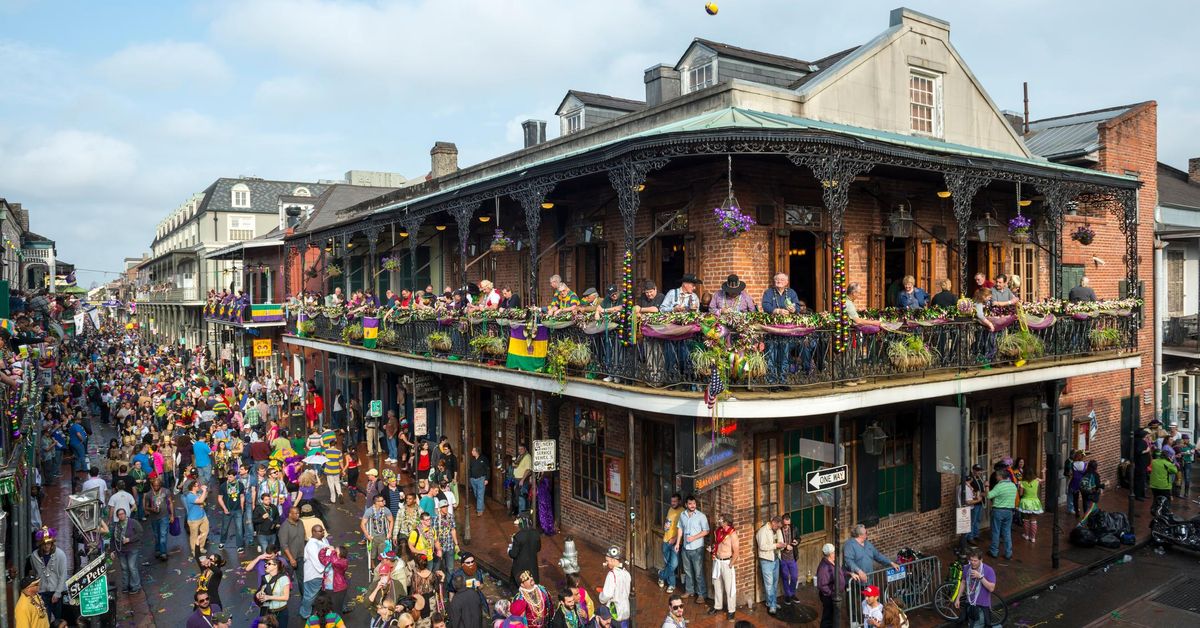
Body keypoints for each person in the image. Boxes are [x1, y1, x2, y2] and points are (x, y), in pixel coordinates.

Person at [28, 528, 67, 623]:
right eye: (44, 544)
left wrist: (57, 593)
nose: (47, 546)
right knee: (45, 619)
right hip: (42, 593)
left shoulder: (60, 555)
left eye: (49, 543)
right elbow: (35, 572)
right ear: (40, 544)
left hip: (55, 591)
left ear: (52, 543)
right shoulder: (34, 556)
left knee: (58, 619)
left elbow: (63, 575)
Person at [677, 495, 709, 605]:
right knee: (687, 571)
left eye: (694, 504)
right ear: (686, 505)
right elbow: (680, 528)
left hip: (697, 549)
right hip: (686, 548)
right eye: (690, 504)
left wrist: (694, 537)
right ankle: (689, 590)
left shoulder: (701, 516)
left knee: (698, 572)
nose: (692, 506)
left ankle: (701, 594)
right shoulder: (682, 515)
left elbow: (706, 531)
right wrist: (678, 543)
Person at [955, 547, 997, 627]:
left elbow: (991, 588)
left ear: (981, 560)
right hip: (970, 603)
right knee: (964, 622)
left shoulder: (988, 570)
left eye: (975, 561)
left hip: (982, 605)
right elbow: (963, 582)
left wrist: (980, 577)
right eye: (971, 560)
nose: (973, 563)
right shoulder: (967, 568)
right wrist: (958, 598)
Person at [707, 514, 738, 620]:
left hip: (727, 562)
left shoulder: (732, 534)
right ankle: (718, 606)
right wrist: (712, 550)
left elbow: (736, 551)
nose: (719, 521)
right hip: (717, 561)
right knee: (717, 584)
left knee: (729, 587)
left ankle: (731, 610)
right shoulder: (718, 531)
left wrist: (731, 564)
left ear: (726, 522)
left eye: (721, 520)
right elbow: (716, 545)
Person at [755, 515, 784, 615]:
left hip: (776, 559)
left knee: (774, 583)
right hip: (766, 560)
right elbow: (762, 546)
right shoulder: (762, 531)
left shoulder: (778, 530)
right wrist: (776, 545)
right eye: (777, 526)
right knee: (769, 584)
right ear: (773, 523)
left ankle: (771, 602)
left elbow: (780, 541)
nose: (778, 529)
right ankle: (772, 605)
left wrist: (782, 545)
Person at [987, 470, 1018, 560]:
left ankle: (994, 552)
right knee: (1007, 532)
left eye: (997, 475)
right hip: (1009, 512)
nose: (996, 477)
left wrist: (986, 486)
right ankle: (1008, 553)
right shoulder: (1013, 485)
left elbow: (989, 495)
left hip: (998, 511)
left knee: (996, 531)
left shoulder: (999, 486)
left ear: (1001, 476)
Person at [112, 507, 144, 593]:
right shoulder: (116, 526)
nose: (121, 516)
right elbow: (113, 539)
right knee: (124, 568)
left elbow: (140, 533)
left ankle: (136, 586)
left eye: (123, 514)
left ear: (125, 514)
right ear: (117, 516)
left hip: (132, 548)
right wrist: (112, 551)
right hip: (121, 550)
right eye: (119, 514)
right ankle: (126, 585)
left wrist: (129, 539)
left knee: (132, 566)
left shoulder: (133, 522)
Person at [599, 546, 632, 627]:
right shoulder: (627, 574)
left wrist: (601, 597)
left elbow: (607, 595)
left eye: (607, 561)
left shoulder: (612, 575)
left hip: (615, 614)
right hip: (625, 612)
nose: (606, 563)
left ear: (613, 560)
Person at [657, 493, 683, 594]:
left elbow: (683, 529)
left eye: (675, 501)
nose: (673, 503)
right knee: (668, 564)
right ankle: (671, 584)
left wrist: (675, 539)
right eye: (672, 501)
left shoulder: (683, 512)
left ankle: (661, 575)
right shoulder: (670, 509)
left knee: (673, 564)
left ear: (679, 501)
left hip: (675, 543)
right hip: (666, 540)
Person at [255, 557, 292, 628]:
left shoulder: (283, 578)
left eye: (269, 564)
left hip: (280, 612)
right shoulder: (265, 578)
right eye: (266, 564)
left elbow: (286, 597)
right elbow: (260, 590)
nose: (266, 565)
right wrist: (258, 594)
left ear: (276, 566)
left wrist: (268, 597)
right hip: (267, 611)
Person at [815, 542, 843, 628]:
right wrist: (832, 593)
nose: (835, 554)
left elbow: (839, 573)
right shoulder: (824, 567)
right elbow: (822, 585)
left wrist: (849, 573)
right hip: (829, 597)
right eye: (834, 553)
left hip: (834, 595)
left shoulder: (833, 563)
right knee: (827, 618)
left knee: (832, 616)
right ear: (830, 554)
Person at [509, 514, 542, 586]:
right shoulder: (536, 533)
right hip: (532, 565)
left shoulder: (518, 536)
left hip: (520, 567)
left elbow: (513, 554)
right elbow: (538, 548)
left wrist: (509, 550)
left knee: (519, 585)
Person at [183, 480, 211, 559]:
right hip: (193, 520)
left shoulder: (198, 493)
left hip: (203, 516)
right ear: (192, 487)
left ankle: (201, 547)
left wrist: (205, 491)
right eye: (197, 485)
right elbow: (200, 501)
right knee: (194, 536)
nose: (198, 486)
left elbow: (204, 498)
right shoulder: (190, 496)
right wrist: (204, 491)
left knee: (205, 532)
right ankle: (194, 551)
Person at [1018, 465, 1046, 542]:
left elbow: (1020, 494)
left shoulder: (1022, 482)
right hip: (1034, 502)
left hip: (1025, 502)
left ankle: (1026, 535)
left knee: (1026, 519)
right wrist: (1043, 472)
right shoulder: (1037, 480)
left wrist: (1019, 488)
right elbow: (1043, 480)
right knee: (1033, 520)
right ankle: (1033, 538)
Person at [963, 464, 986, 543]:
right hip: (974, 502)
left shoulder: (979, 478)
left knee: (978, 520)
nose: (979, 472)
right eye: (977, 470)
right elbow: (971, 491)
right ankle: (970, 537)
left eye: (979, 470)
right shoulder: (970, 479)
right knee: (973, 521)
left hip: (980, 501)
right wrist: (980, 494)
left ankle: (976, 535)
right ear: (973, 470)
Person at [778, 516, 798, 605]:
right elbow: (777, 542)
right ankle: (787, 595)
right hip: (783, 557)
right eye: (785, 524)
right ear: (782, 523)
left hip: (792, 557)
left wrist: (796, 542)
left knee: (794, 577)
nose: (786, 526)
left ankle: (791, 593)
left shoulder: (794, 528)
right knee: (785, 577)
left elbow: (798, 538)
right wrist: (786, 546)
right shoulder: (779, 531)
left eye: (788, 524)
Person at [468, 447, 490, 516]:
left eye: (473, 450)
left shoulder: (483, 459)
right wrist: (470, 478)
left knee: (480, 494)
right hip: (473, 479)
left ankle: (479, 510)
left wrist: (487, 479)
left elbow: (488, 469)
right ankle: (482, 506)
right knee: (476, 494)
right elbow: (470, 469)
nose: (472, 452)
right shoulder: (472, 460)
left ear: (477, 452)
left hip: (481, 479)